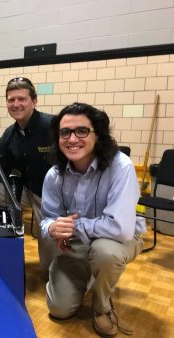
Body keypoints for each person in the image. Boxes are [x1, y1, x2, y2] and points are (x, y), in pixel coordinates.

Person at [40, 102, 145, 337]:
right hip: (77, 243)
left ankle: (102, 307)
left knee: (105, 252)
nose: (72, 138)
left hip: (119, 238)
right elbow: (47, 219)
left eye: (82, 131)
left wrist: (72, 226)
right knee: (59, 309)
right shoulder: (54, 174)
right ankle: (87, 276)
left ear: (98, 135)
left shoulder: (121, 167)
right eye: (65, 132)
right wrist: (55, 228)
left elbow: (119, 228)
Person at [0, 77, 54, 274]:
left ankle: (53, 273)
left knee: (47, 239)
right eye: (11, 99)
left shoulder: (52, 127)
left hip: (51, 197)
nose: (16, 104)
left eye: (22, 99)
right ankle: (0, 252)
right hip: (26, 190)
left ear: (34, 101)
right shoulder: (9, 135)